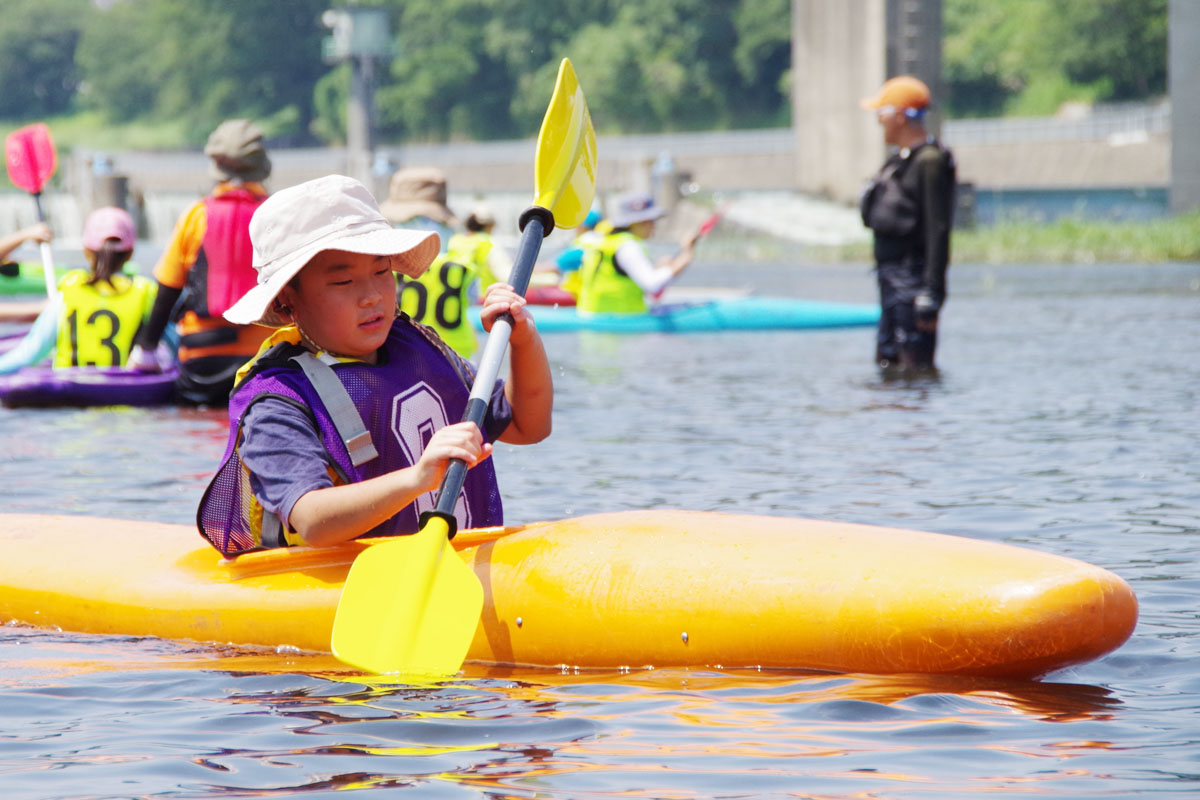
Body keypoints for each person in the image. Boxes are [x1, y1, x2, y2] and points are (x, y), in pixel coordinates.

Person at [196, 175, 552, 555]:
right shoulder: (277, 397)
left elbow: (526, 424)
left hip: (453, 565)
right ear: (286, 301)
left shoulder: (414, 346)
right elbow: (311, 518)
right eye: (344, 281)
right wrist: (417, 479)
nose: (372, 297)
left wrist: (523, 340)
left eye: (382, 272)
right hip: (334, 588)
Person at [129, 119, 274, 405]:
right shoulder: (276, 214)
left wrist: (146, 347)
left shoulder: (196, 215)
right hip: (266, 356)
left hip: (202, 360)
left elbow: (168, 289)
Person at [859, 75, 956, 372]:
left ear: (899, 118)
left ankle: (917, 418)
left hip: (912, 283)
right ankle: (892, 418)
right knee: (888, 365)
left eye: (881, 115)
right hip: (890, 281)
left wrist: (932, 292)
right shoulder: (897, 162)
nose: (878, 122)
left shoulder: (929, 162)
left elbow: (938, 231)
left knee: (915, 370)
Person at [0, 208, 160, 374]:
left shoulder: (69, 288)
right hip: (125, 389)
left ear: (86, 251)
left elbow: (30, 354)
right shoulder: (146, 292)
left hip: (71, 389)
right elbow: (174, 347)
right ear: (130, 253)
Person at [381, 167, 481, 358]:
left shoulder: (386, 260)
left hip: (402, 355)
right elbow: (472, 300)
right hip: (457, 357)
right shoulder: (464, 257)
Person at [576, 192, 697, 314]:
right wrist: (686, 256)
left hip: (592, 313)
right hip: (620, 321)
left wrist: (664, 268)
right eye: (648, 221)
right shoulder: (628, 246)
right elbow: (653, 285)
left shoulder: (608, 240)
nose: (653, 226)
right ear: (634, 223)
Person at [553, 205, 604, 297]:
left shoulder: (584, 242)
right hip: (598, 292)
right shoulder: (603, 240)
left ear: (582, 226)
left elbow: (556, 266)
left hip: (579, 295)